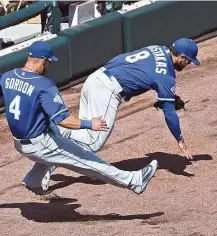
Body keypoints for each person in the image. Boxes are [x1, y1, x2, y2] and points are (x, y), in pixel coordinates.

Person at [0, 41, 157, 197]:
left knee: (55, 136)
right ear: (42, 60)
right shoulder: (43, 85)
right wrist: (90, 124)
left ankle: (33, 181)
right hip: (39, 143)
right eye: (48, 62)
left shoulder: (6, 76)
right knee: (88, 161)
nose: (48, 66)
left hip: (23, 142)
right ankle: (134, 181)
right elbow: (63, 118)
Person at [60, 38, 199, 161]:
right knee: (94, 141)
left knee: (83, 130)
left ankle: (52, 159)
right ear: (182, 57)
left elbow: (140, 69)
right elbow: (169, 113)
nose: (189, 64)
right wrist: (180, 139)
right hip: (105, 89)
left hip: (95, 78)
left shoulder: (157, 48)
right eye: (189, 61)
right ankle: (58, 131)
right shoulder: (166, 77)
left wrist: (167, 96)